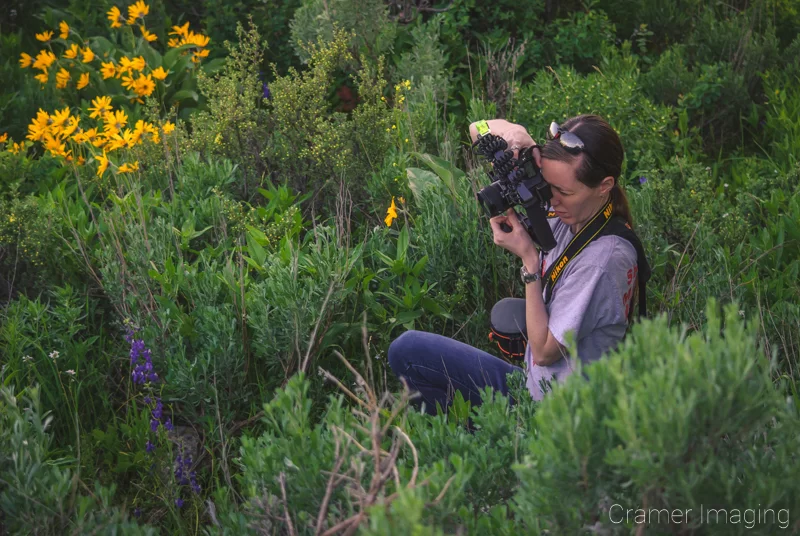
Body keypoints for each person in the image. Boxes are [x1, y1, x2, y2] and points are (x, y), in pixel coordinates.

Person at [387, 114, 643, 415]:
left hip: (554, 416)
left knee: (410, 354)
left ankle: (492, 448)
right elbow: (476, 128)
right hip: (535, 387)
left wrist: (530, 263)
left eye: (564, 192)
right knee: (408, 351)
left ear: (604, 186)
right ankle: (463, 445)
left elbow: (546, 351)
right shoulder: (574, 213)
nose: (552, 200)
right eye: (548, 187)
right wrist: (519, 139)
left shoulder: (603, 259)